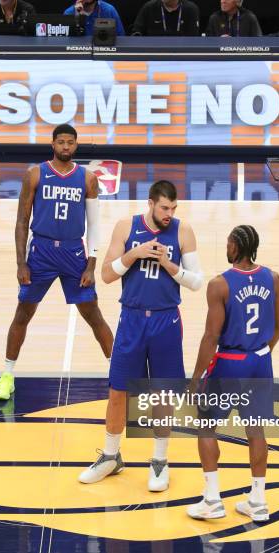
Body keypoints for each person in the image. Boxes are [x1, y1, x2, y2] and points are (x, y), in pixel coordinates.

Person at [78, 180, 203, 492]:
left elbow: (197, 282)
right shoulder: (126, 227)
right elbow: (106, 275)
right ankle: (110, 456)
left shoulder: (183, 230)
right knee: (118, 391)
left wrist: (167, 264)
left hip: (166, 321)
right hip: (131, 319)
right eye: (164, 208)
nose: (169, 213)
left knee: (162, 395)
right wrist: (134, 253)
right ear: (150, 203)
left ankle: (159, 460)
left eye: (173, 208)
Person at [0, 124, 113, 400]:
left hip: (73, 253)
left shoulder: (87, 178)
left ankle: (117, 373)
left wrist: (91, 264)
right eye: (61, 142)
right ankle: (7, 375)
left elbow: (94, 225)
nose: (66, 147)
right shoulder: (35, 174)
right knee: (23, 313)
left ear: (76, 145)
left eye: (70, 143)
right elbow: (22, 221)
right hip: (42, 252)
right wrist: (20, 262)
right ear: (53, 144)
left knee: (93, 314)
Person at [186, 225, 279, 521]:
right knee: (256, 430)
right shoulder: (273, 278)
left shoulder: (220, 285)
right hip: (260, 361)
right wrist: (260, 354)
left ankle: (212, 500)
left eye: (228, 243)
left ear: (237, 247)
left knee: (206, 426)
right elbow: (278, 327)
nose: (226, 247)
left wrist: (195, 379)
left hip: (230, 362)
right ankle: (258, 501)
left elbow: (210, 337)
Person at [132, 0, 199, 36]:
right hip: (153, 53)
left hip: (183, 54)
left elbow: (194, 38)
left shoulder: (191, 10)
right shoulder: (149, 8)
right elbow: (137, 32)